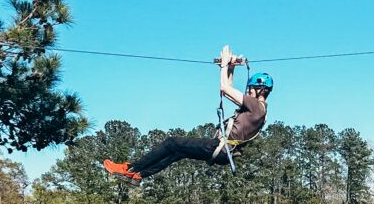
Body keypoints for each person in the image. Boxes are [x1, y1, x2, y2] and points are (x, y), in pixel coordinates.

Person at [103, 45, 272, 186]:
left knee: (172, 142)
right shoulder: (259, 110)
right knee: (178, 152)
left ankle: (130, 168)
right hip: (224, 152)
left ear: (260, 90)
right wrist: (231, 67)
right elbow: (229, 92)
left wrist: (223, 66)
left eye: (250, 88)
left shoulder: (256, 106)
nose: (247, 91)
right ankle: (140, 175)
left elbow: (224, 89)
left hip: (220, 147)